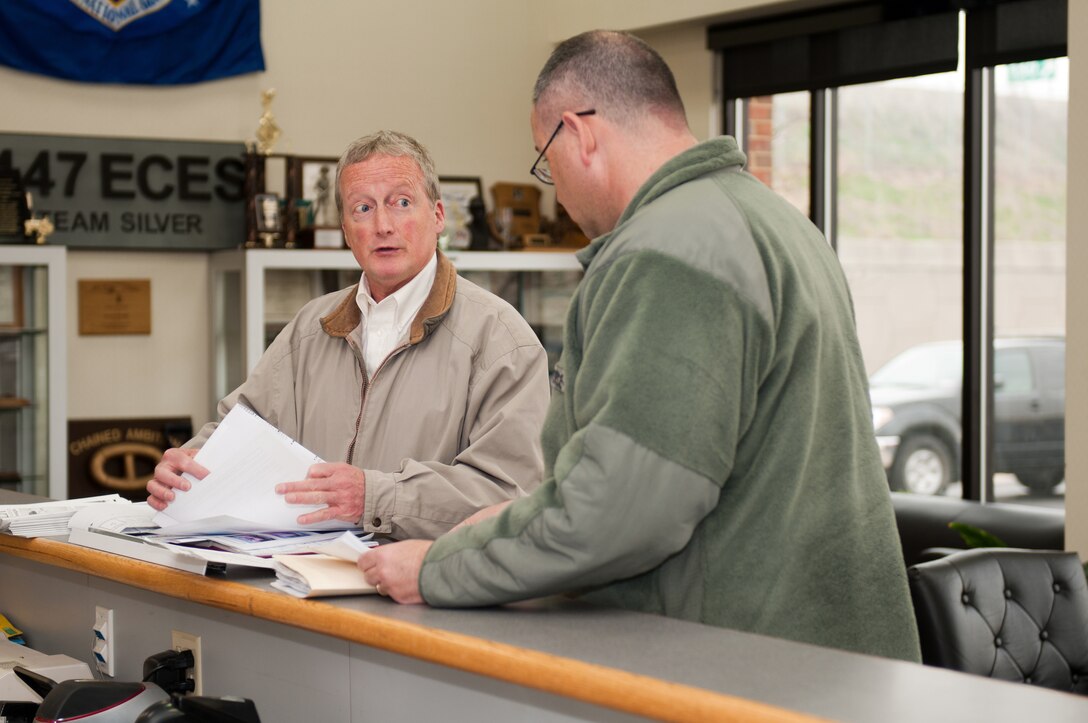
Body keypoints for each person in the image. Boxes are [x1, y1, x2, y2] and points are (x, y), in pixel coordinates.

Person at [358, 31, 922, 662]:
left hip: (748, 669)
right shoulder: (778, 223)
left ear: (580, 134)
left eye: (546, 162)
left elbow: (619, 511)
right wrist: (499, 526)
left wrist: (438, 566)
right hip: (840, 663)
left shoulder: (667, 251)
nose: (557, 191)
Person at [147, 130, 551, 540]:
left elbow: (511, 495)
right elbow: (243, 426)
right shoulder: (311, 327)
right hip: (305, 583)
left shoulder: (501, 340)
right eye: (363, 208)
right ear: (345, 228)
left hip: (427, 591)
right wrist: (190, 463)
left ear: (439, 215)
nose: (382, 226)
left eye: (402, 203)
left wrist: (376, 497)